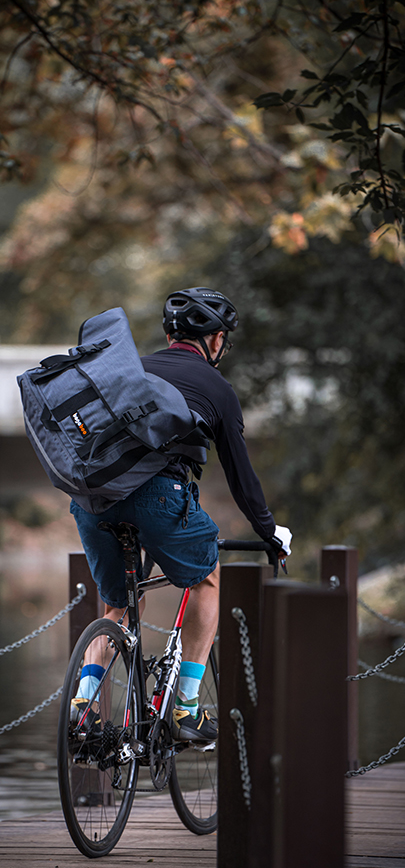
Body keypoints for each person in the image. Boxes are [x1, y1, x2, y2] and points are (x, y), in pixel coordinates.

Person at [70, 286, 292, 743]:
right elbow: (241, 477)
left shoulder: (132, 370)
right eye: (223, 339)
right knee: (207, 575)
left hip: (92, 500)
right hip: (158, 495)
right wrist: (269, 531)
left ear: (170, 334)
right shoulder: (217, 388)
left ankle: (83, 704)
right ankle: (186, 708)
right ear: (213, 341)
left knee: (119, 605)